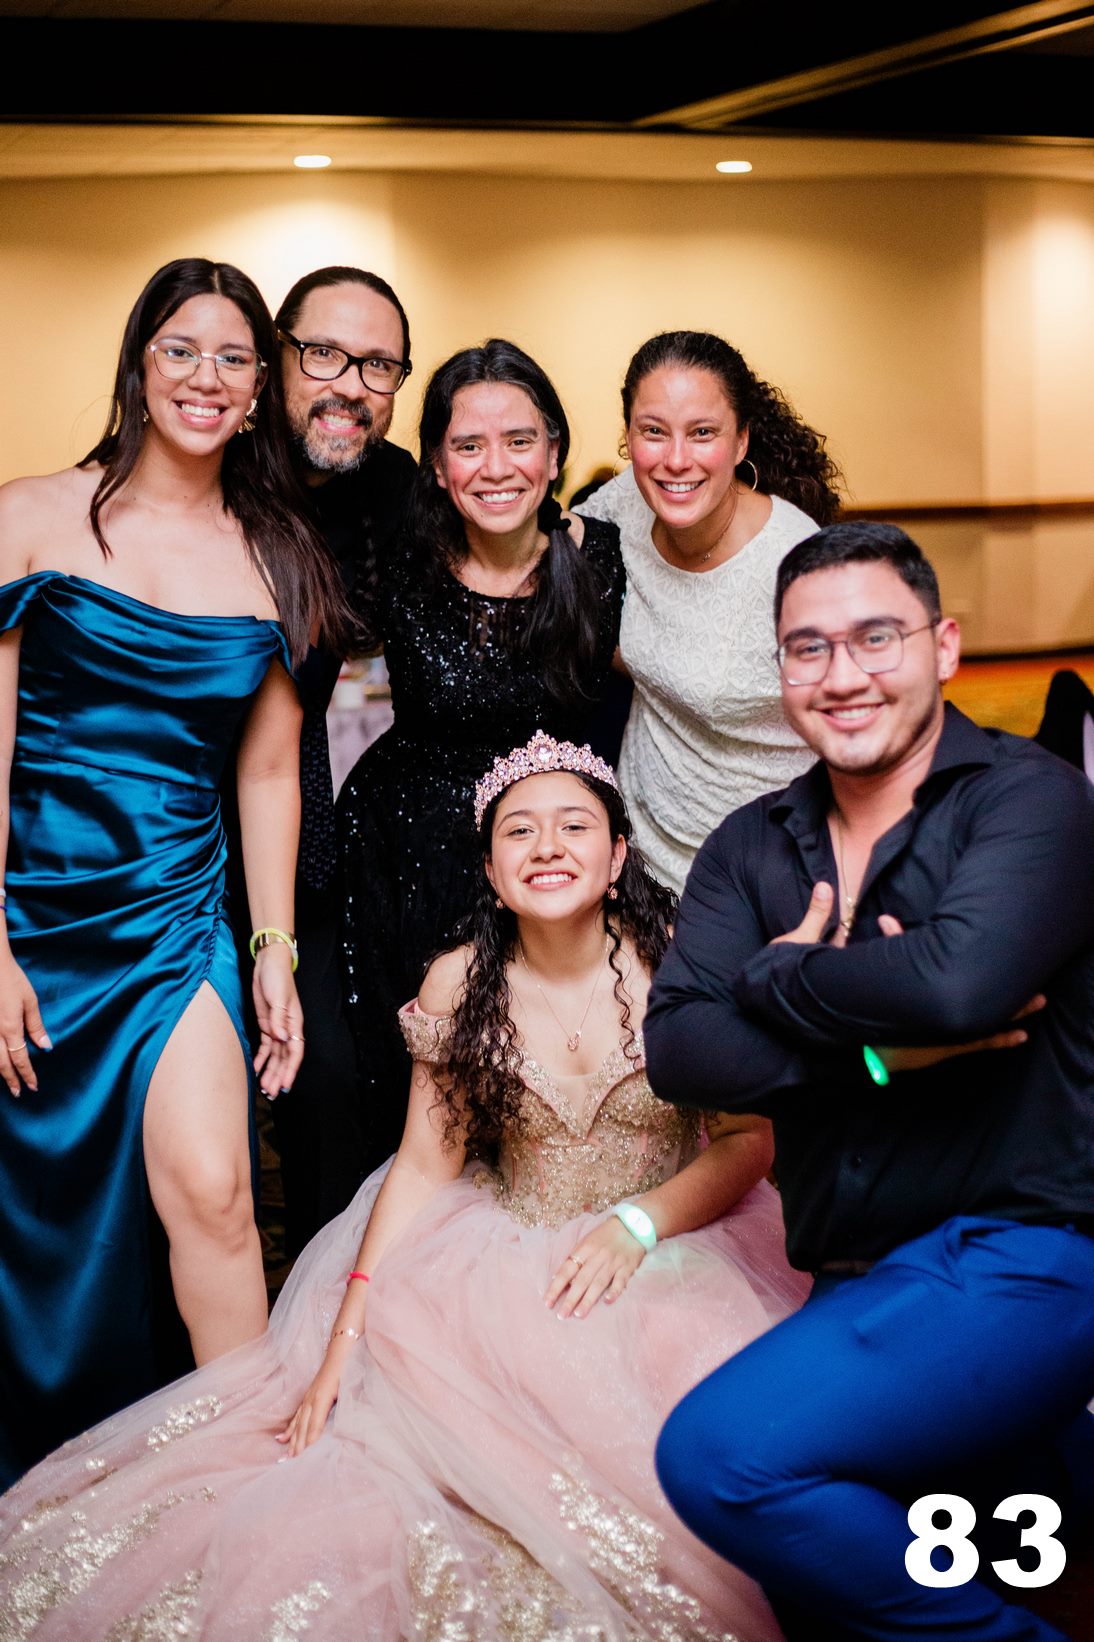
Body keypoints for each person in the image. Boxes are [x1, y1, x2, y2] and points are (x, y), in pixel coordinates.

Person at [0, 731, 809, 1639]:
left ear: (618, 857)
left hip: (674, 1254)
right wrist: (343, 1340)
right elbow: (426, 1165)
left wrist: (640, 1223)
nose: (547, 847)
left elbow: (748, 1140)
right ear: (491, 872)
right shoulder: (459, 981)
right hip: (503, 1268)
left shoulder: (681, 965)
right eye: (519, 831)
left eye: (575, 826)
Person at [647, 521, 1094, 1640]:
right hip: (855, 1278)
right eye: (808, 647)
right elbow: (680, 1050)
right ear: (780, 669)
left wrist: (776, 975)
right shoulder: (749, 845)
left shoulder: (1029, 800)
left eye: (875, 637)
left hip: (1026, 1251)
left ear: (943, 645)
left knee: (721, 1457)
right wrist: (874, 1048)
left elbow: (959, 987)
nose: (842, 674)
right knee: (834, 1602)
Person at [0, 257, 348, 1488]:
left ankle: (248, 1495)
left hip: (174, 917)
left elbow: (268, 774)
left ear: (258, 391)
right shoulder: (30, 517)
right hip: (29, 921)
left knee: (212, 1190)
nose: (206, 377)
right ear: (139, 365)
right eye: (181, 350)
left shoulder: (281, 554)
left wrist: (272, 951)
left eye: (234, 357)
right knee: (30, 1218)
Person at [337, 338, 625, 1172]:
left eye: (520, 441)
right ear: (436, 465)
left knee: (536, 1112)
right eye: (468, 445)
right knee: (411, 1105)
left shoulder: (602, 559)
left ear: (555, 453)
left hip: (543, 857)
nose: (496, 467)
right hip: (405, 859)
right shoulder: (399, 561)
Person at [231, 265, 417, 1255]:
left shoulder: (394, 491)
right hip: (172, 841)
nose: (351, 383)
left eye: (379, 365)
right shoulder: (208, 464)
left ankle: (331, 1310)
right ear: (277, 357)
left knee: (333, 1087)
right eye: (325, 354)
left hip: (310, 839)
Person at [577, 330, 842, 894]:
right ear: (628, 437)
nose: (676, 460)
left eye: (703, 433)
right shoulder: (623, 503)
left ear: (741, 441)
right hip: (638, 855)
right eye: (654, 431)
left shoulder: (797, 566)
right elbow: (553, 549)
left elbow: (862, 728)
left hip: (762, 870)